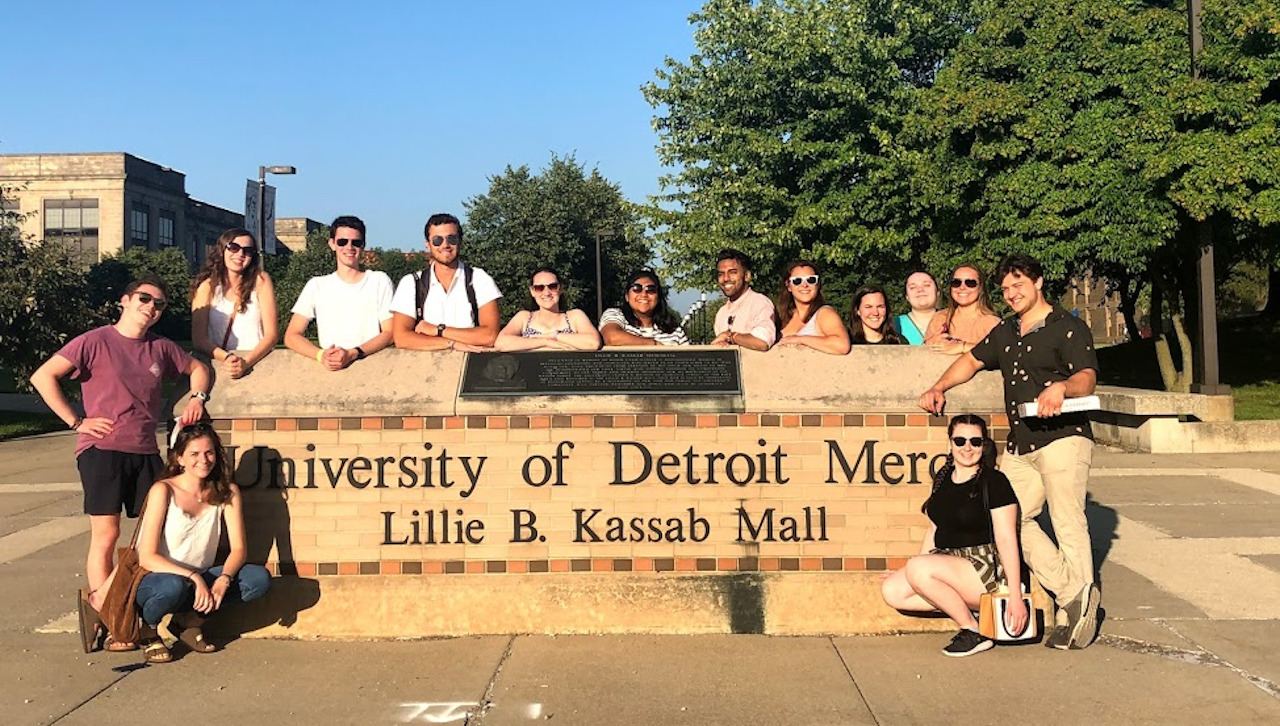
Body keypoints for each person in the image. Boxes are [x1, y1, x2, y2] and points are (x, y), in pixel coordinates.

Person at [918, 253, 1101, 650]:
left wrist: (1062, 387)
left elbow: (1087, 376)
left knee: (1069, 523)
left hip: (1064, 437)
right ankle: (1076, 592)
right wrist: (938, 387)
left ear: (1038, 282)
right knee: (1012, 521)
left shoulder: (1067, 328)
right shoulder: (1007, 331)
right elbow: (969, 361)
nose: (1012, 294)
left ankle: (1077, 615)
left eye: (1019, 285)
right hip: (1021, 444)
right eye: (1005, 289)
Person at [29, 275, 211, 651]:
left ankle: (101, 603)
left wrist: (196, 397)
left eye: (159, 304)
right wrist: (77, 421)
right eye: (145, 298)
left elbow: (198, 368)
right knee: (107, 536)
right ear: (126, 301)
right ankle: (115, 621)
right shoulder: (95, 341)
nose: (151, 307)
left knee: (150, 537)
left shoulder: (161, 348)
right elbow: (43, 376)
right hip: (102, 450)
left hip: (146, 452)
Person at [881, 414, 1026, 657]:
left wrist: (1015, 595)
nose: (967, 448)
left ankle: (973, 630)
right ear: (950, 443)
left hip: (985, 568)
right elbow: (933, 529)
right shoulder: (942, 478)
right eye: (960, 441)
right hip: (950, 563)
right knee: (892, 590)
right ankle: (973, 613)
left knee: (918, 568)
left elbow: (1007, 539)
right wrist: (914, 572)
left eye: (975, 442)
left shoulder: (995, 482)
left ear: (984, 444)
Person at [129, 423, 271, 663]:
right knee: (173, 587)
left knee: (258, 579)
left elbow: (238, 549)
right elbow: (147, 556)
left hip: (200, 577)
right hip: (158, 578)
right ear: (180, 458)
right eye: (194, 454)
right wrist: (192, 577)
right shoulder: (163, 490)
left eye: (209, 452)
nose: (203, 460)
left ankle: (187, 621)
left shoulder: (227, 492)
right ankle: (149, 629)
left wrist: (223, 579)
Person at [284, 215, 394, 370]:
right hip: (330, 374)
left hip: (371, 368)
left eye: (356, 242)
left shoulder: (379, 281)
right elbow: (291, 335)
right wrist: (321, 355)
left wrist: (353, 353)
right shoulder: (316, 285)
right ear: (332, 244)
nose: (349, 247)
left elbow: (390, 332)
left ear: (363, 245)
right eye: (342, 242)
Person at [391, 213, 502, 352]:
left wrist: (437, 330)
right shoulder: (411, 283)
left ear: (460, 241)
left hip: (470, 367)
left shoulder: (479, 279)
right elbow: (402, 338)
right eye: (437, 240)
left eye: (452, 238)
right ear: (428, 244)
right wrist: (451, 343)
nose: (445, 245)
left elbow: (489, 335)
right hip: (422, 368)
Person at [190, 228, 279, 379]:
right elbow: (199, 339)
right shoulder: (207, 286)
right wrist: (228, 358)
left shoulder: (261, 281)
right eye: (234, 247)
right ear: (222, 249)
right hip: (220, 365)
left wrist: (246, 362)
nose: (240, 254)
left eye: (248, 250)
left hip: (255, 365)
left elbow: (271, 335)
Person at [493, 267, 600, 351]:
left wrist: (554, 335)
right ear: (532, 291)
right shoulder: (524, 317)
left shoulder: (575, 316)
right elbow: (501, 343)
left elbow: (592, 343)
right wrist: (545, 342)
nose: (546, 292)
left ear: (560, 288)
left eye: (552, 286)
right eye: (539, 288)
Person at [774, 261, 850, 354]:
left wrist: (800, 339)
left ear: (817, 284)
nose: (804, 285)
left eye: (811, 280)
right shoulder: (779, 315)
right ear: (788, 286)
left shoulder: (824, 313)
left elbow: (842, 345)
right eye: (797, 281)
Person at [924, 263, 1000, 355]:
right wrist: (928, 343)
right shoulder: (940, 318)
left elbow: (999, 354)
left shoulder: (991, 323)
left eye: (970, 283)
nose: (962, 287)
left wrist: (963, 347)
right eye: (956, 282)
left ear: (980, 288)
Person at [599, 270, 689, 346]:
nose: (644, 294)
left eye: (651, 289)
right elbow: (611, 337)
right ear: (627, 296)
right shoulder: (615, 315)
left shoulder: (675, 332)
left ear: (658, 297)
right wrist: (653, 344)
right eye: (637, 288)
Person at [710, 248, 775, 350]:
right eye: (721, 274)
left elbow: (763, 342)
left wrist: (730, 336)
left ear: (747, 276)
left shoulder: (759, 303)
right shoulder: (722, 313)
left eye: (732, 272)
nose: (726, 278)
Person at [896, 271, 940, 345]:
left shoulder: (951, 320)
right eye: (913, 287)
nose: (920, 290)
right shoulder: (895, 324)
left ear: (937, 292)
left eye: (926, 285)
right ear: (907, 296)